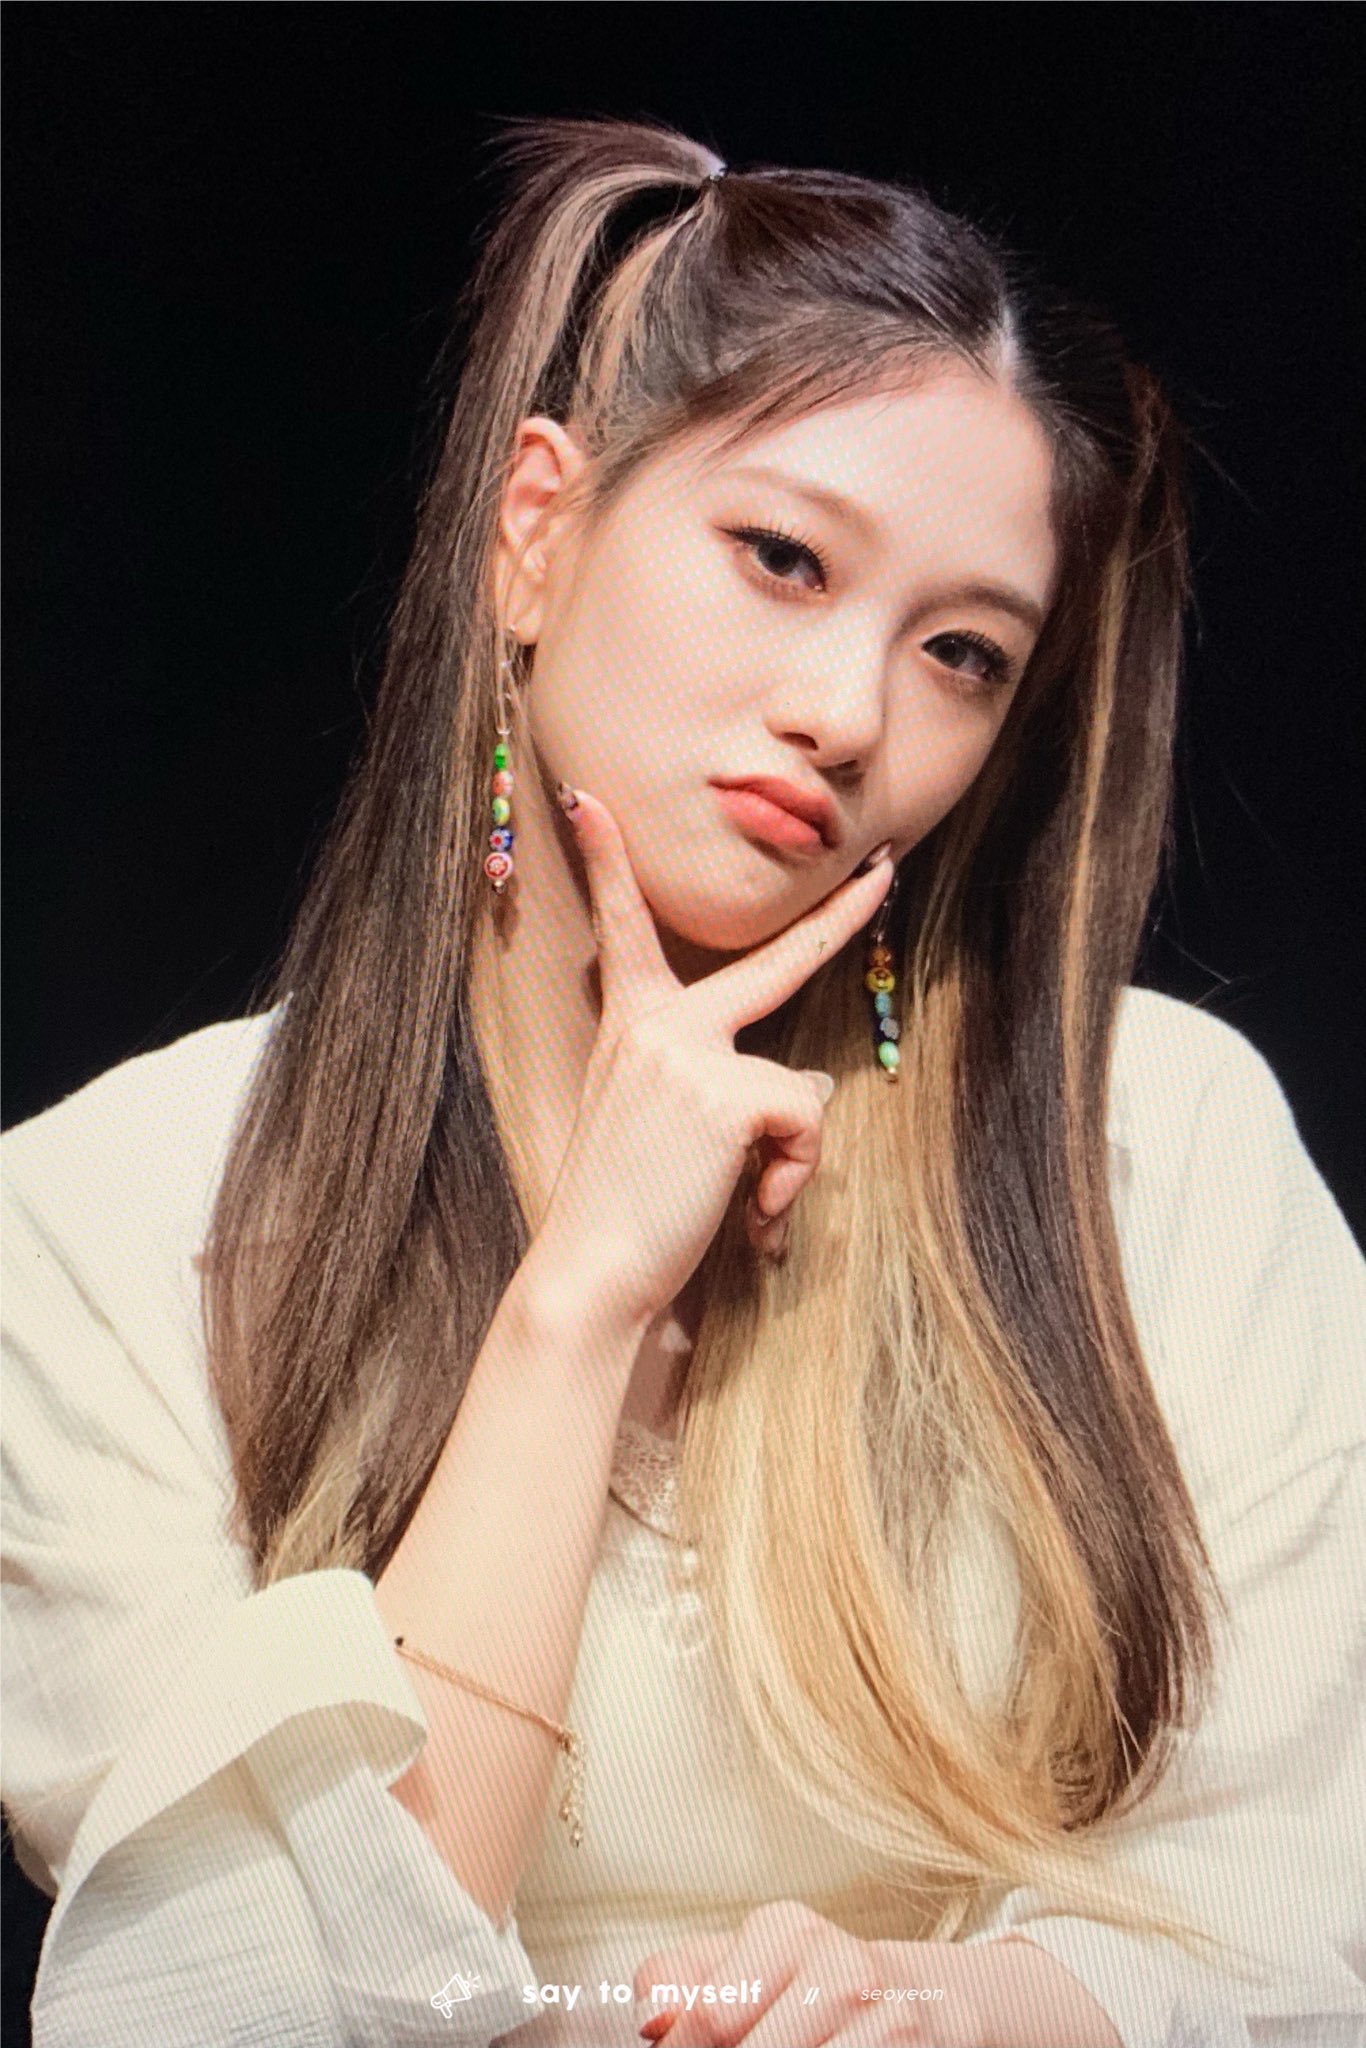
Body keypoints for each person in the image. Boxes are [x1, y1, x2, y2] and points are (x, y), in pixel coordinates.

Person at [2, 112, 1363, 2048]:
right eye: (780, 558)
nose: (847, 714)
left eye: (962, 654)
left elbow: (1292, 1919)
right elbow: (239, 2009)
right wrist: (577, 1304)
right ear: (535, 533)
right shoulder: (107, 1221)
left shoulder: (1150, 1142)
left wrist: (940, 2007)